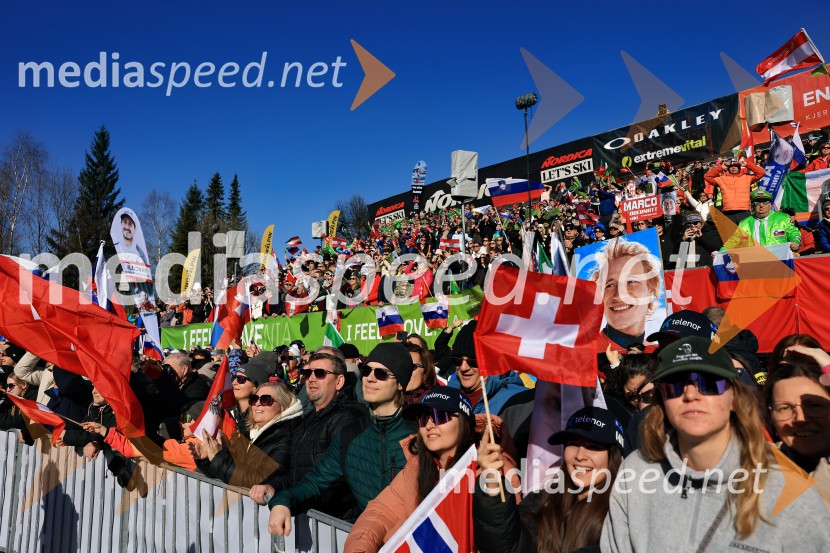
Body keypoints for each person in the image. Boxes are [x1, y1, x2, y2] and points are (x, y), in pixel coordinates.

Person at [600, 336, 830, 552]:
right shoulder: (635, 473)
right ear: (662, 402)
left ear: (734, 397)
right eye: (675, 386)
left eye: (709, 383)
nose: (691, 395)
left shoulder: (791, 493)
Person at [267, 342, 416, 532]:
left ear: (401, 383)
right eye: (366, 371)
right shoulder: (351, 434)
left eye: (381, 374)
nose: (370, 378)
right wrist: (283, 501)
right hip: (371, 538)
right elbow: (316, 482)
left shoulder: (422, 431)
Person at [345, 388, 482, 552]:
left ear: (464, 422)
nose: (429, 425)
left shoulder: (485, 472)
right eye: (424, 418)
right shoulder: (417, 467)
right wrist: (359, 549)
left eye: (440, 416)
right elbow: (381, 513)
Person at [474, 406, 624, 553]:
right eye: (573, 444)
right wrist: (492, 485)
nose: (580, 455)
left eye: (593, 446)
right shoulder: (541, 502)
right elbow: (508, 547)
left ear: (613, 456)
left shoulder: (623, 513)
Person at [247, 351, 367, 518]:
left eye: (320, 373)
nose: (311, 379)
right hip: (306, 516)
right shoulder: (308, 419)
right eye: (307, 373)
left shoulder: (348, 418)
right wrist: (273, 486)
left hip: (337, 522)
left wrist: (291, 498)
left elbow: (334, 481)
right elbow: (294, 472)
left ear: (339, 381)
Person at [190, 380, 303, 488]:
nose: (257, 404)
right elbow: (224, 473)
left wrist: (217, 457)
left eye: (265, 400)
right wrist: (207, 459)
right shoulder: (248, 432)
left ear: (283, 405)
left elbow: (256, 480)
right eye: (254, 399)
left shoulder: (287, 437)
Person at [764, 343, 830, 508]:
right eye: (784, 408)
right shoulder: (755, 465)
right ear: (771, 414)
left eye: (814, 406)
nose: (800, 419)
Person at [588, 237, 663, 350]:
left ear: (651, 289)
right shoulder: (586, 354)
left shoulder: (657, 352)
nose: (619, 295)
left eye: (631, 281)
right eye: (609, 285)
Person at [446, 321, 527, 416]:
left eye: (472, 361)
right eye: (457, 360)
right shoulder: (446, 395)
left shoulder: (517, 400)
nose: (463, 368)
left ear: (491, 361)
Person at [721, 190, 801, 251]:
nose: (761, 205)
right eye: (757, 203)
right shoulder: (744, 223)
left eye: (765, 202)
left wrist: (795, 242)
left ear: (770, 205)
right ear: (753, 206)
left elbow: (793, 232)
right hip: (755, 261)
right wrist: (720, 253)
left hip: (779, 259)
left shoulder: (783, 218)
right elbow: (733, 241)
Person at [704, 157, 766, 224]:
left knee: (745, 231)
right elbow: (707, 177)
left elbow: (761, 172)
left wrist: (747, 164)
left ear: (739, 167)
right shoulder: (721, 179)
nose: (733, 168)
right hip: (728, 212)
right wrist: (721, 167)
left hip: (744, 211)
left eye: (736, 166)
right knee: (730, 231)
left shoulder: (747, 178)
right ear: (728, 168)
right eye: (731, 166)